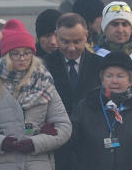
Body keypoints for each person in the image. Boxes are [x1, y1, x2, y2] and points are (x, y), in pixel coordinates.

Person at [0, 19, 71, 169]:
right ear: (6, 55)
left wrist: (36, 143)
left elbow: (64, 127)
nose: (22, 58)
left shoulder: (45, 85)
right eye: (16, 53)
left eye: (27, 53)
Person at [70, 50, 132, 170]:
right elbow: (73, 144)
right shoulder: (86, 106)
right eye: (109, 76)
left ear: (130, 80)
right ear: (102, 79)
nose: (114, 81)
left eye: (120, 76)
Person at [43, 13, 102, 170]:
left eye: (77, 42)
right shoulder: (43, 66)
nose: (71, 48)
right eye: (65, 42)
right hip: (55, 147)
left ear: (86, 36)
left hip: (91, 148)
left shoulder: (100, 66)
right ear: (56, 37)